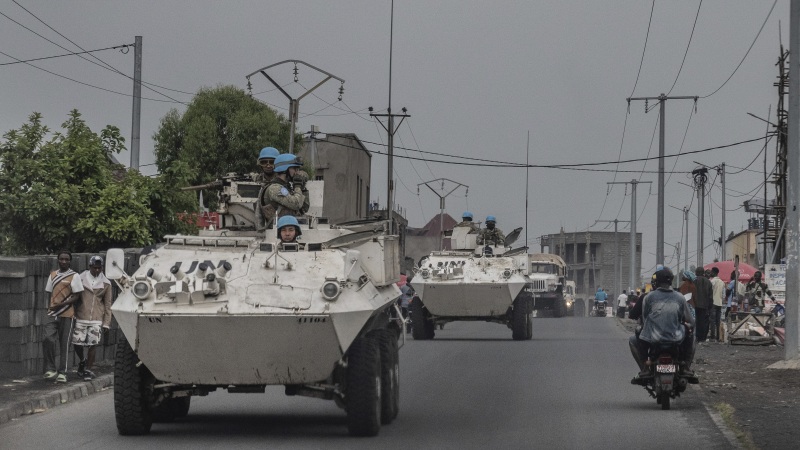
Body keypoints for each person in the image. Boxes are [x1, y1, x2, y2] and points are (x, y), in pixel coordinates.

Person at [628, 267, 696, 379]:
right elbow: (691, 321)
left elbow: (645, 318)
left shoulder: (648, 297)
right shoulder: (680, 297)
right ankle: (685, 366)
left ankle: (645, 367)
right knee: (691, 335)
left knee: (635, 337)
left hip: (653, 338)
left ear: (656, 282)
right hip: (676, 337)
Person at [43, 251, 84, 383]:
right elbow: (49, 293)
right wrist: (49, 307)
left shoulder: (74, 276)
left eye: (67, 259)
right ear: (58, 260)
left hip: (67, 313)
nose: (64, 261)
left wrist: (61, 304)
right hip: (52, 313)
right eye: (62, 259)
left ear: (70, 261)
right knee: (48, 338)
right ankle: (50, 369)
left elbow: (77, 296)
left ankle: (63, 372)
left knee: (64, 343)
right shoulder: (53, 275)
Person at [73, 256, 113, 381]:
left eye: (99, 268)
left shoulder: (106, 283)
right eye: (94, 268)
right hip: (81, 316)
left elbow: (108, 304)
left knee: (93, 344)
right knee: (77, 343)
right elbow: (74, 298)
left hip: (96, 318)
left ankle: (88, 370)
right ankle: (82, 360)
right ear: (90, 266)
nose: (97, 270)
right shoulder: (80, 278)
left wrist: (106, 323)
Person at [257, 153, 306, 230]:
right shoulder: (275, 188)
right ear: (285, 169)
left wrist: (303, 187)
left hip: (288, 229)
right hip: (278, 231)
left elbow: (304, 208)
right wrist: (297, 186)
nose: (297, 172)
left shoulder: (286, 187)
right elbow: (296, 204)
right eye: (295, 169)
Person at [692, 267, 713, 343]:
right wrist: (710, 307)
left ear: (696, 273)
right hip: (705, 305)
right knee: (703, 322)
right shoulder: (708, 282)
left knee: (696, 321)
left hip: (695, 305)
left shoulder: (693, 281)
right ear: (703, 273)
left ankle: (697, 337)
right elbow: (710, 296)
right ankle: (702, 337)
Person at [709, 267, 725, 341]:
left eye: (711, 272)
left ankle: (712, 336)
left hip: (713, 303)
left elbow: (710, 292)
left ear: (713, 272)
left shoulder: (712, 281)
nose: (710, 273)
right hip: (720, 303)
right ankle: (718, 336)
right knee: (718, 320)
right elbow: (723, 295)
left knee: (712, 320)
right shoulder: (722, 282)